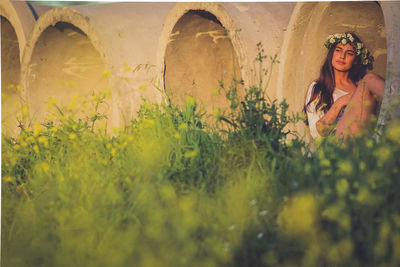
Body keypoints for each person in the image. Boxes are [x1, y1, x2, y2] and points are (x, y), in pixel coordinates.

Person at [304, 32, 385, 139]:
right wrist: (342, 101)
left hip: (365, 139)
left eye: (350, 53)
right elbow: (318, 133)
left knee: (369, 80)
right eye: (338, 50)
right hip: (337, 145)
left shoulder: (362, 87)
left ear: (356, 60)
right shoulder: (319, 87)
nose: (342, 56)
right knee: (369, 80)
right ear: (332, 54)